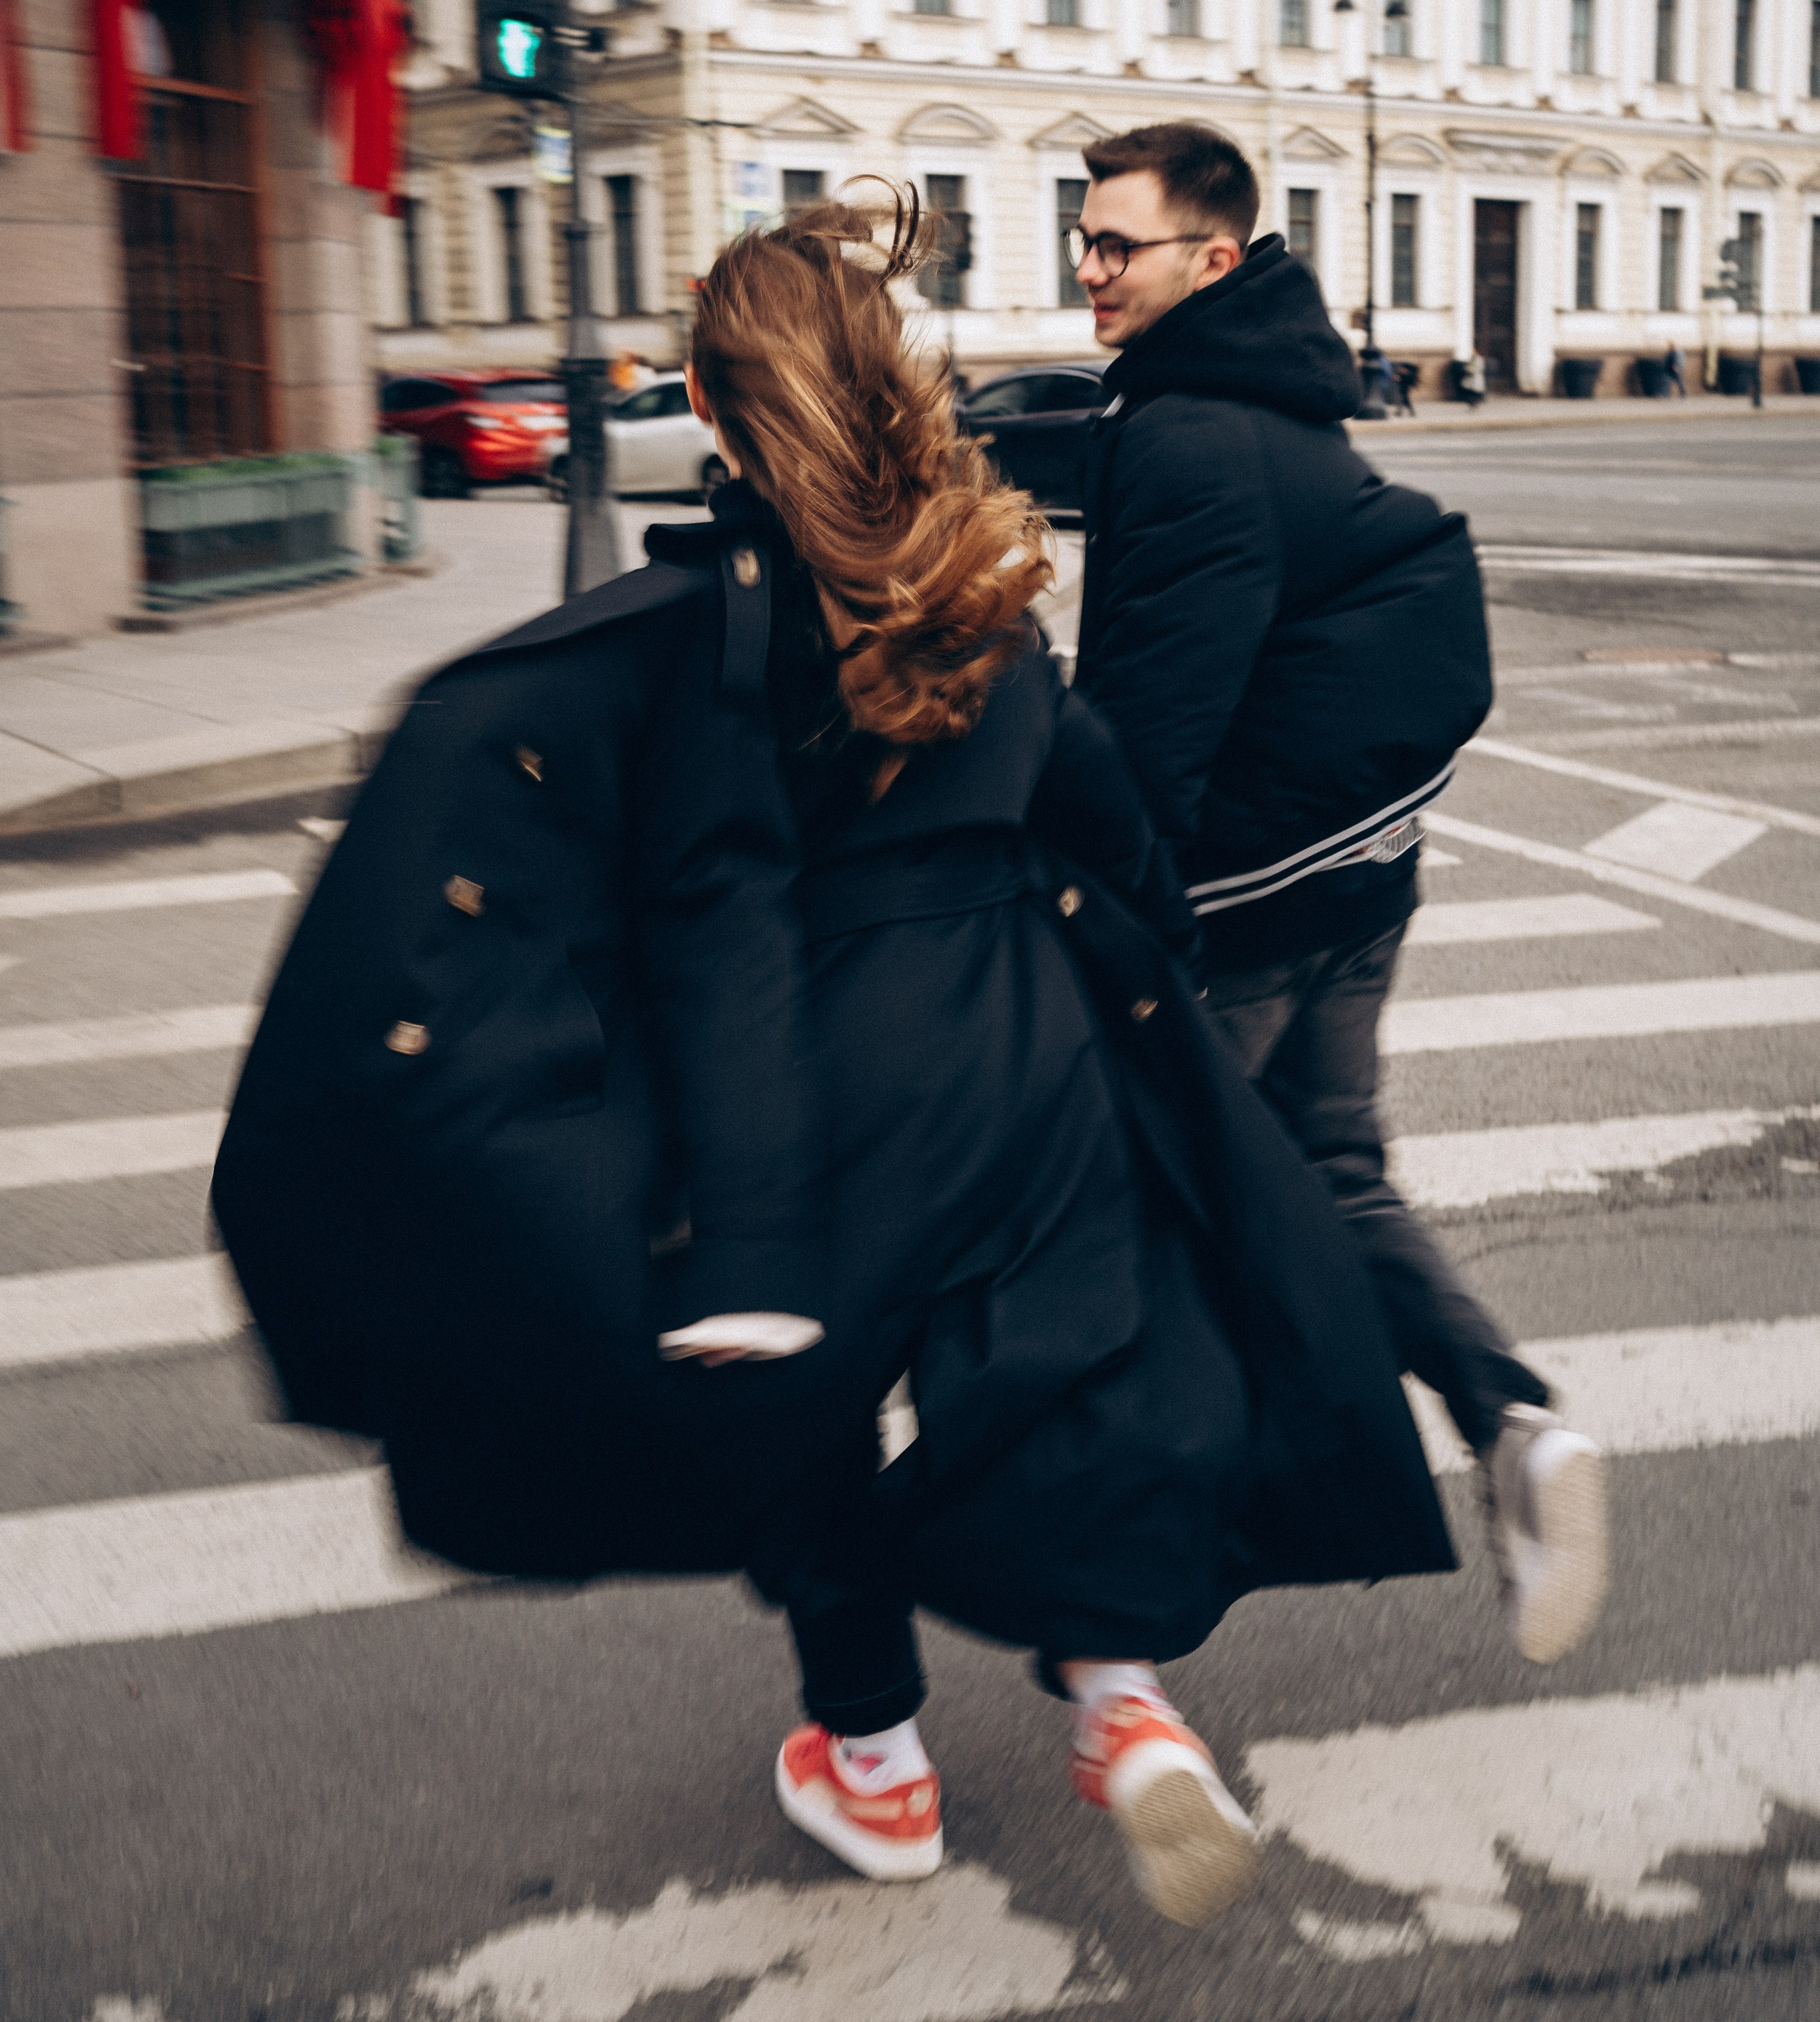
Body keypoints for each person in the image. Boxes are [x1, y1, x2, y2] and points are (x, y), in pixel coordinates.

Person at [214, 191, 1453, 1933]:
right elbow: (1104, 815)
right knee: (1056, 1363)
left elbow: (720, 927)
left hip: (821, 1081)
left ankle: (872, 1758)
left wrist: (751, 1238)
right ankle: (1120, 1696)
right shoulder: (984, 587)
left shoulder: (720, 631)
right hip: (1022, 1046)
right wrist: (1145, 990)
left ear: (719, 412)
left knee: (808, 1420)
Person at [1065, 122, 1609, 1669]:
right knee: (1335, 1174)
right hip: (1355, 884)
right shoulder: (1276, 404)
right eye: (1084, 238)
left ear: (1211, 261)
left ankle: (1114, 1628)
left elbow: (1148, 743)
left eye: (1120, 245)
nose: (1090, 269)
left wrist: (1095, 927)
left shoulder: (1184, 434)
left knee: (1135, 1229)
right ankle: (1512, 1425)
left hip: (1238, 914)